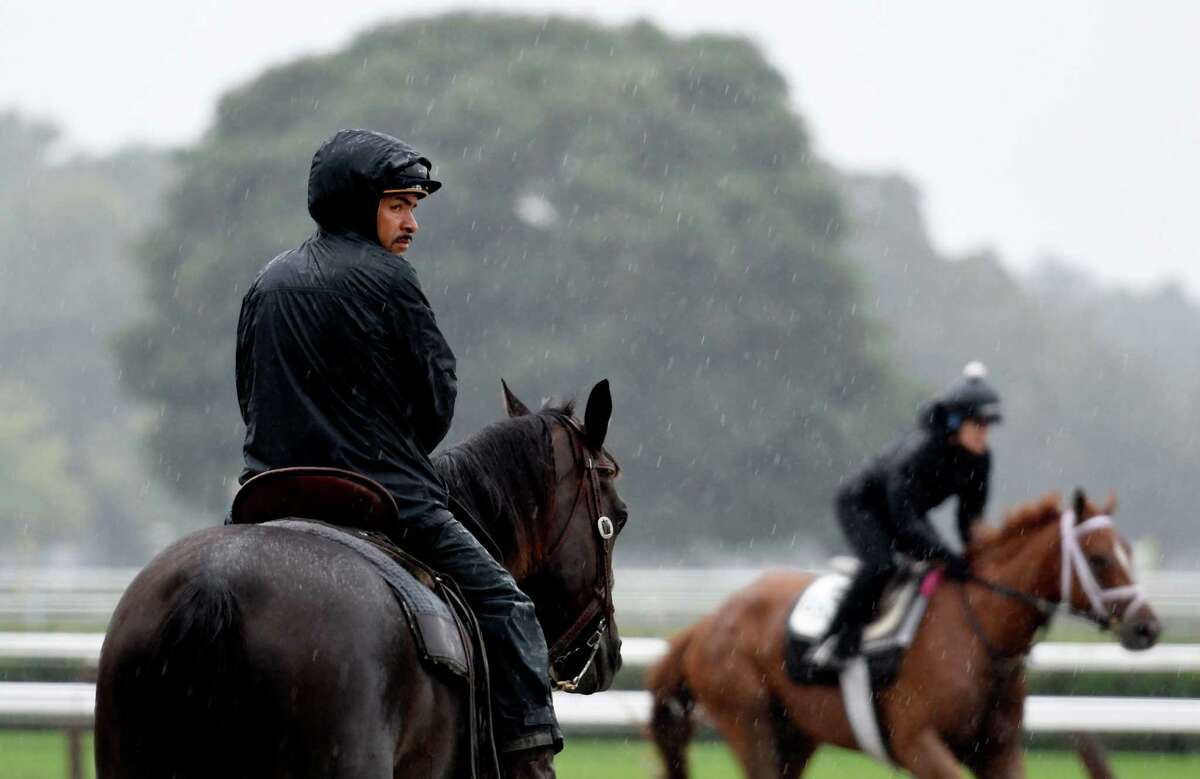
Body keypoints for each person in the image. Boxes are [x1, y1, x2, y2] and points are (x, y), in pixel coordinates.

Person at [235, 128, 559, 778]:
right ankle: (529, 766)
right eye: (397, 205)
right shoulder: (392, 280)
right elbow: (435, 404)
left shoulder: (267, 281)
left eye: (414, 205)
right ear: (360, 206)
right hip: (387, 503)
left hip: (266, 496)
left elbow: (249, 392)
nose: (411, 221)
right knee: (508, 604)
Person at [809, 362, 1001, 666]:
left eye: (987, 426)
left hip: (905, 514)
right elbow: (905, 522)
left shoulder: (980, 459)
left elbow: (969, 519)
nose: (984, 433)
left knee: (946, 567)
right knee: (883, 565)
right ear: (955, 422)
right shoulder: (920, 454)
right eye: (977, 425)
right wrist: (944, 553)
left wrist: (976, 554)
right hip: (862, 506)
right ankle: (836, 640)